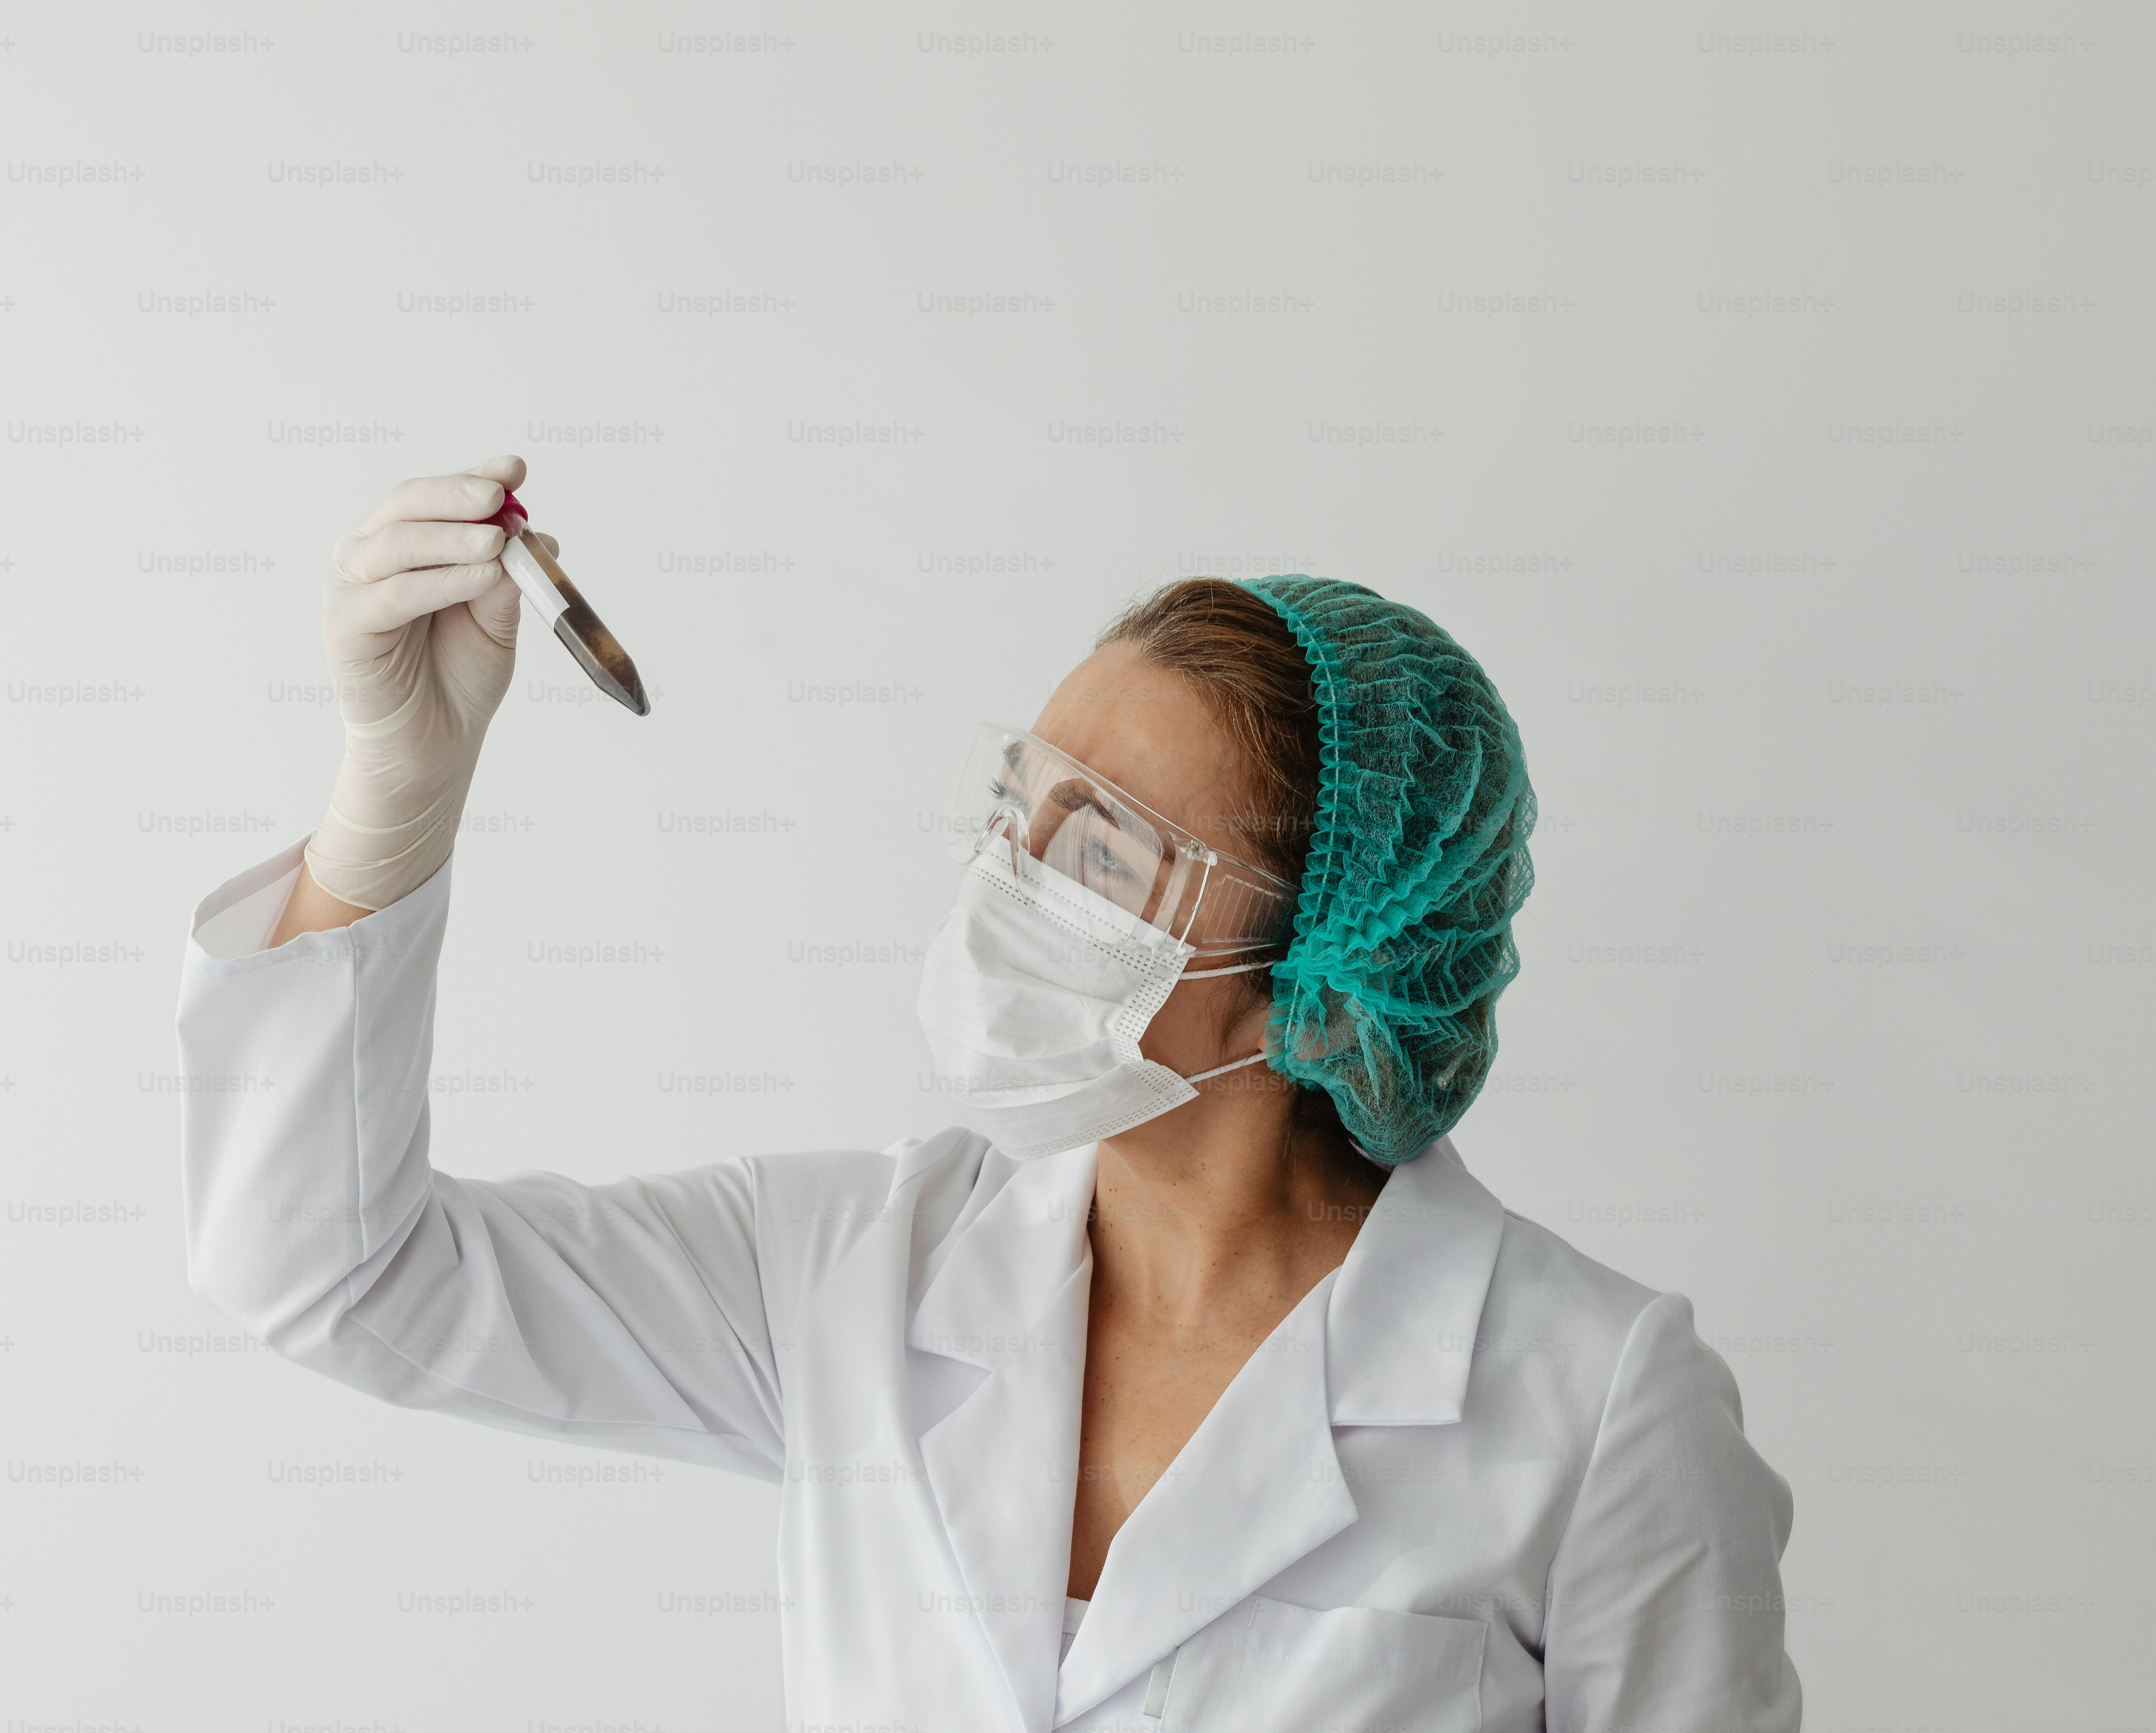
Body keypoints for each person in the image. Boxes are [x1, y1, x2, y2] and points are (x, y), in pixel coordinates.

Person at [178, 456, 1802, 1733]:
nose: (1009, 881)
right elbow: (334, 1272)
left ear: (1331, 955)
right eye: (1015, 803)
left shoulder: (1600, 1406)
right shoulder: (846, 1272)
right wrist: (393, 803)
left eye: (1099, 849)